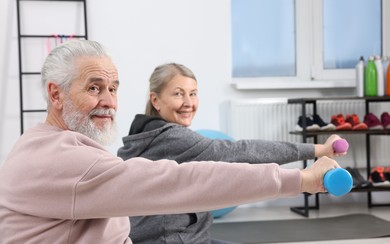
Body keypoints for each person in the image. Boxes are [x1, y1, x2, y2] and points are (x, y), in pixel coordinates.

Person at [0, 40, 340, 244]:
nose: (108, 100)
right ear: (55, 94)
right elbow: (186, 177)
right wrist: (304, 174)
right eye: (94, 88)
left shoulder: (48, 143)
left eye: (113, 88)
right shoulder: (61, 161)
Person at [117, 63, 347, 244]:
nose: (189, 102)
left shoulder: (141, 137)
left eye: (193, 93)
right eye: (178, 94)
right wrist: (319, 149)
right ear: (155, 100)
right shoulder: (172, 138)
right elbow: (241, 151)